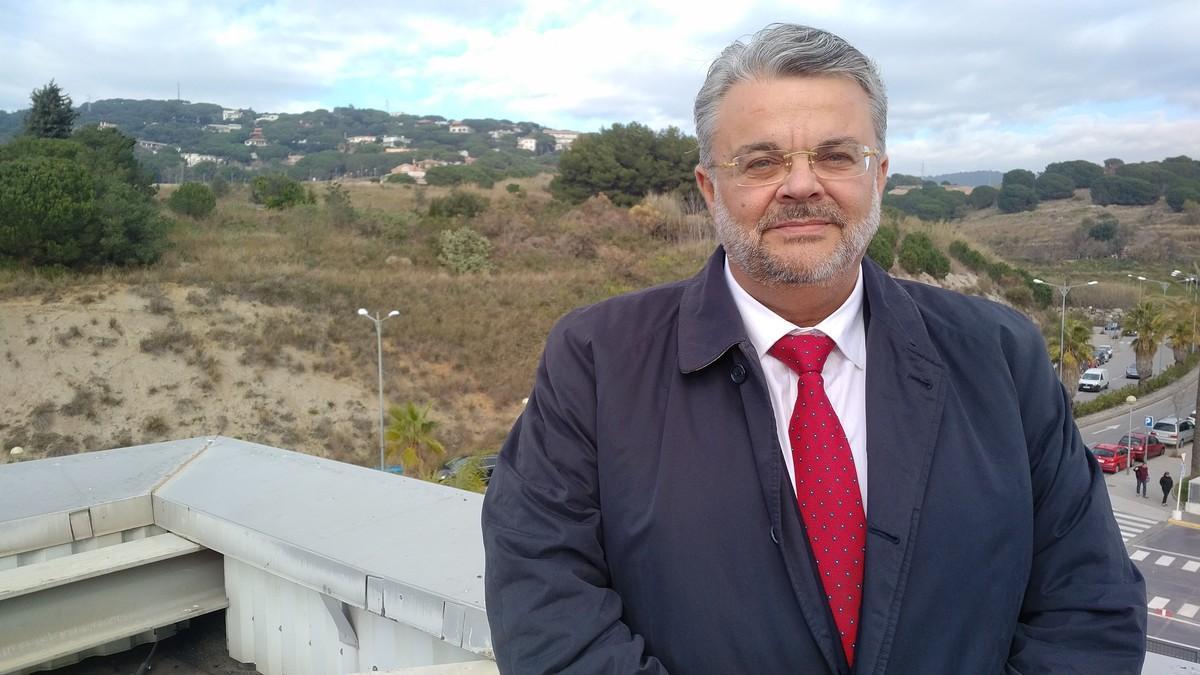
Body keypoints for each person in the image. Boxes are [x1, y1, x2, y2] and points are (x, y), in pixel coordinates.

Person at [482, 23, 1146, 674]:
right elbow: (547, 609)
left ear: (879, 176)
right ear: (711, 188)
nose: (802, 185)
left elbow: (1091, 607)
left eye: (835, 156)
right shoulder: (596, 361)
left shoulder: (1002, 356)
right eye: (761, 161)